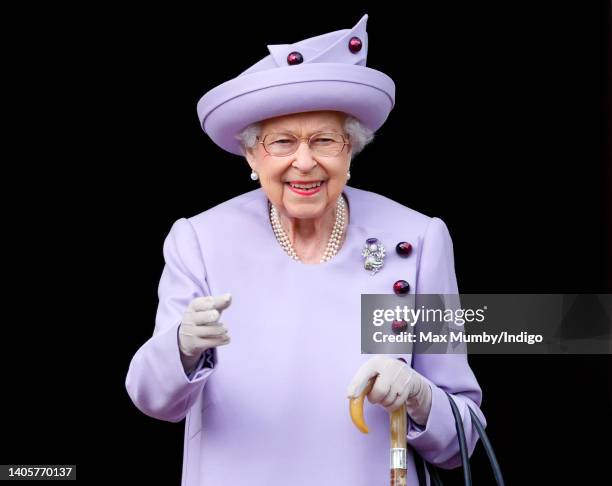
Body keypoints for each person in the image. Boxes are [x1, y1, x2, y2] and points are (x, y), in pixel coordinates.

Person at [125, 14, 486, 486]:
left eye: (324, 140)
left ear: (350, 151)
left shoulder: (417, 238)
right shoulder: (201, 240)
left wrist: (421, 396)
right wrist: (181, 349)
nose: (304, 161)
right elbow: (154, 401)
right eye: (282, 142)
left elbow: (463, 440)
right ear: (252, 157)